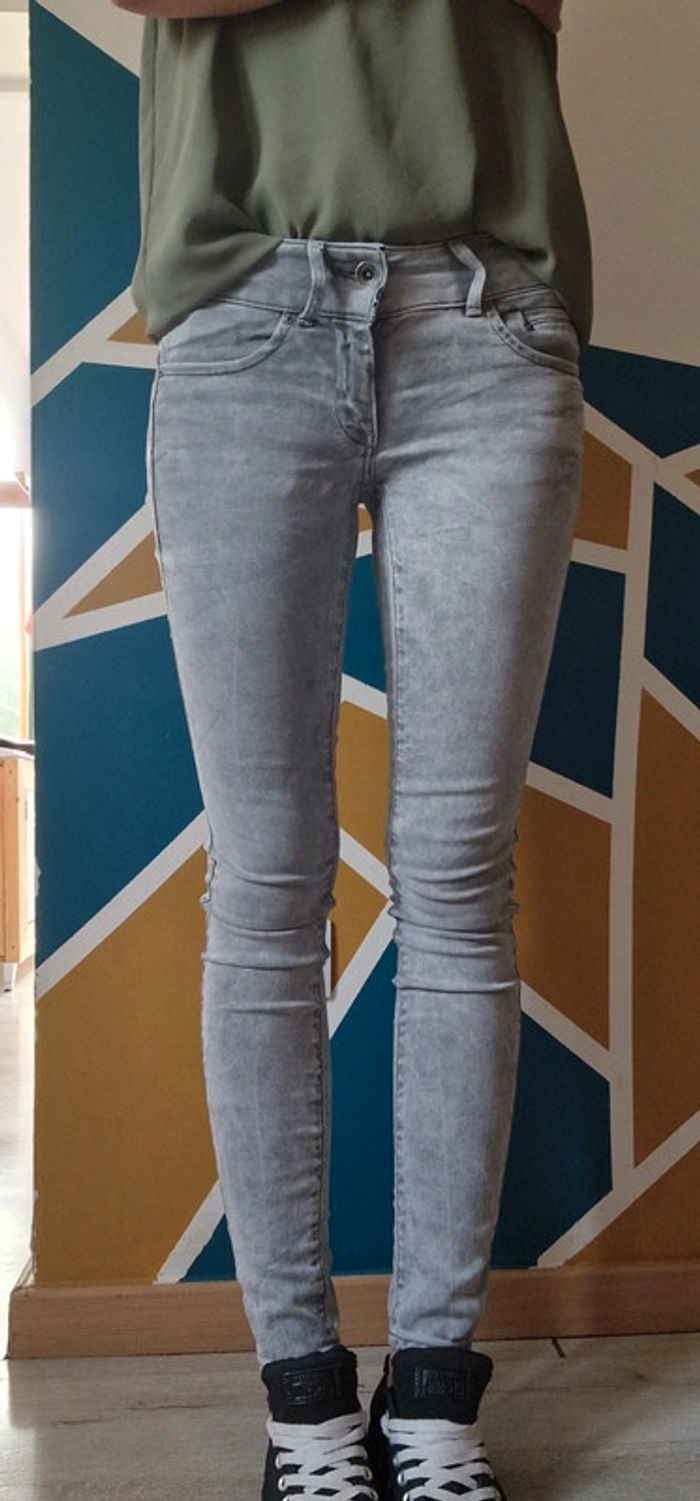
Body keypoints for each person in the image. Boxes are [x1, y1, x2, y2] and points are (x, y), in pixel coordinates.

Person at [116, 0, 592, 1495]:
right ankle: (306, 1411)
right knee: (266, 884)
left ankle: (435, 1401)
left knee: (456, 879)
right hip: (245, 312)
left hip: (486, 318)